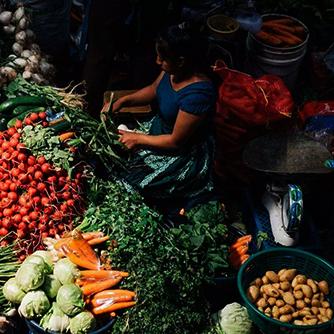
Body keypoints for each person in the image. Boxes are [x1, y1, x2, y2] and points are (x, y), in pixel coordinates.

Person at [110, 24, 217, 212]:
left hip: (181, 151)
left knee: (130, 181)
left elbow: (176, 141)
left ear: (181, 61)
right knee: (113, 158)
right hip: (159, 128)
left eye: (163, 58)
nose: (158, 61)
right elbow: (154, 89)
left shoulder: (198, 94)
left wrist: (138, 138)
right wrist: (124, 101)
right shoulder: (172, 70)